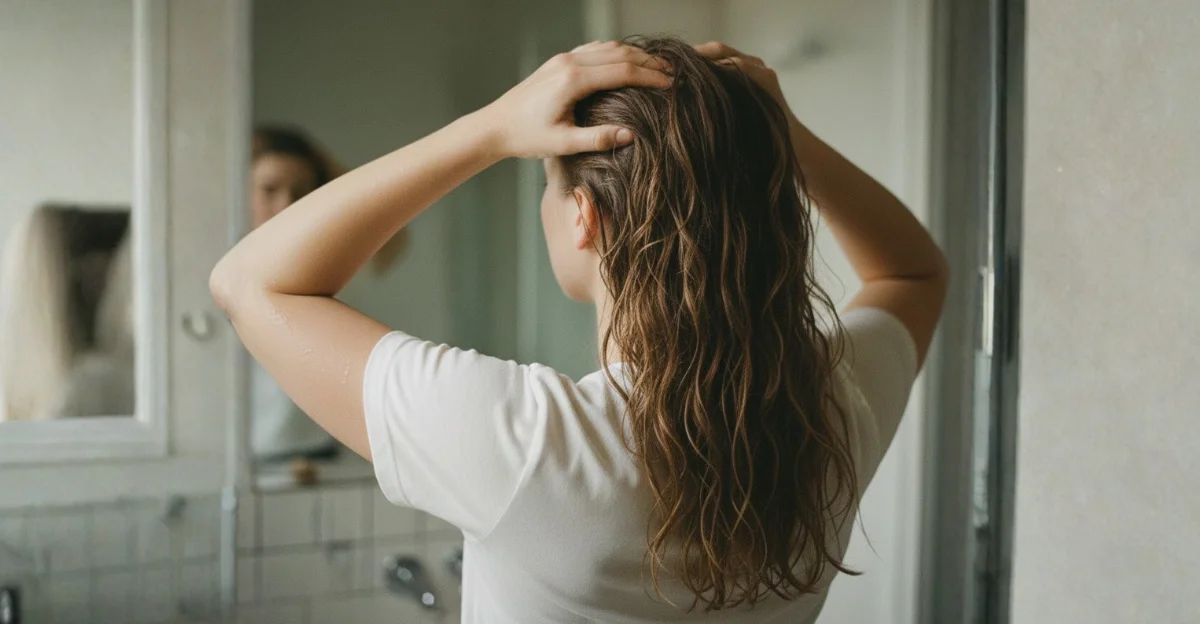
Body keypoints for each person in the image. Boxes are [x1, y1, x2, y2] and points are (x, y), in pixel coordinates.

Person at [212, 37, 947, 623]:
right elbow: (913, 273)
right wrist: (782, 136)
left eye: (545, 182)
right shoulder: (834, 415)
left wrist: (492, 129)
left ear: (582, 217)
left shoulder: (528, 446)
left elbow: (250, 283)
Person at [248, 126, 409, 461]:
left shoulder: (338, 264)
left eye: (301, 190)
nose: (285, 205)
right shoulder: (216, 269)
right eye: (269, 189)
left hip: (320, 452)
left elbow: (394, 236)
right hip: (247, 456)